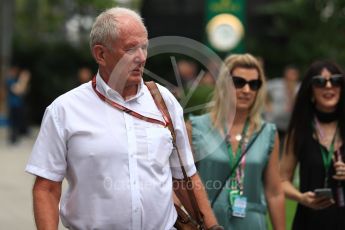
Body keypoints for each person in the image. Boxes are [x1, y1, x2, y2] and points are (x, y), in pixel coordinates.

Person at [25, 7, 222, 230]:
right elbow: (46, 189)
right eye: (130, 49)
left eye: (144, 47)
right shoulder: (64, 110)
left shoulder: (164, 102)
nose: (141, 57)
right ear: (100, 54)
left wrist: (213, 227)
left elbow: (185, 177)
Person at [189, 54, 285, 229]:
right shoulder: (196, 128)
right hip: (209, 222)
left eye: (254, 84)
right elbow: (182, 184)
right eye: (239, 82)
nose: (247, 90)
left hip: (252, 223)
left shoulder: (267, 132)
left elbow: (274, 192)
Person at [281, 60, 345, 229]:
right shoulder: (299, 131)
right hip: (310, 222)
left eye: (336, 81)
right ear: (310, 90)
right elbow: (281, 181)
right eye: (320, 82)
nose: (329, 86)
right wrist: (301, 198)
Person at [266, 65, 300, 150]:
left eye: (293, 75)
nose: (290, 78)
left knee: (287, 149)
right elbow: (263, 87)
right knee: (272, 148)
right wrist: (267, 105)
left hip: (291, 125)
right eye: (289, 75)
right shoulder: (276, 84)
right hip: (275, 122)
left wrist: (291, 92)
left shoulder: (299, 87)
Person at [6, 66, 31, 144]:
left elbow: (23, 91)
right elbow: (18, 90)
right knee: (14, 122)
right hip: (13, 105)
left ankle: (16, 137)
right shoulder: (10, 81)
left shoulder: (15, 80)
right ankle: (13, 139)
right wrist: (23, 79)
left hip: (19, 105)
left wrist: (24, 81)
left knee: (18, 122)